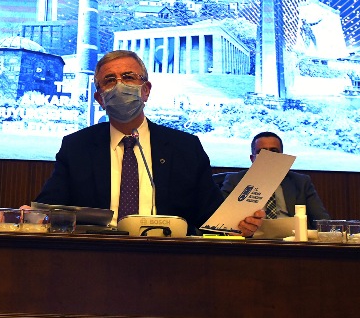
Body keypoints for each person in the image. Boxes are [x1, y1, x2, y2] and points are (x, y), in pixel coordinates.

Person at [35, 50, 265, 236]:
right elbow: (48, 209)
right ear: (99, 99)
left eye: (128, 77)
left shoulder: (185, 148)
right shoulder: (77, 147)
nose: (119, 85)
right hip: (97, 258)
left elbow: (212, 218)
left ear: (146, 91)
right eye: (109, 80)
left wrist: (241, 224)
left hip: (170, 259)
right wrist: (35, 216)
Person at [218, 131, 331, 225]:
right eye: (262, 152)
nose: (269, 156)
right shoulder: (235, 180)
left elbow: (322, 220)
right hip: (250, 240)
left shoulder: (301, 182)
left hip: (292, 240)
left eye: (274, 151)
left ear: (282, 156)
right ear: (252, 159)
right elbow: (219, 219)